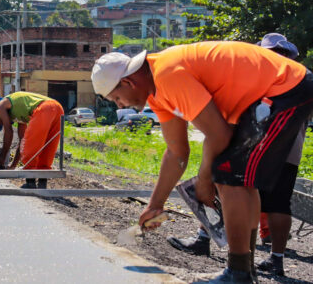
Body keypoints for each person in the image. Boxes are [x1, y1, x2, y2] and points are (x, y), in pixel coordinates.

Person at [92, 41, 313, 283]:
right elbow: (176, 152)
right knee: (236, 178)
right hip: (278, 90)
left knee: (228, 175)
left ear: (128, 82)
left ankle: (239, 273)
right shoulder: (156, 90)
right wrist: (155, 204)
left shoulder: (168, 74)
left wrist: (205, 180)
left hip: (286, 86)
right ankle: (243, 271)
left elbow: (219, 135)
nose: (119, 105)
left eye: (116, 98)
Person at [165, 34, 307, 277]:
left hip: (262, 144)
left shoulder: (262, 73)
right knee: (271, 199)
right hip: (288, 148)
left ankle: (230, 255)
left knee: (228, 182)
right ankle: (272, 259)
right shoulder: (294, 76)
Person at [0, 92, 64, 188]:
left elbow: (9, 132)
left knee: (29, 147)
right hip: (58, 108)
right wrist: (13, 165)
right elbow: (22, 140)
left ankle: (30, 182)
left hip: (44, 108)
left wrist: (2, 156)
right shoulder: (20, 112)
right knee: (46, 149)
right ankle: (42, 183)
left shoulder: (1, 105)